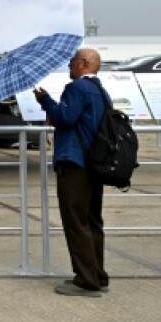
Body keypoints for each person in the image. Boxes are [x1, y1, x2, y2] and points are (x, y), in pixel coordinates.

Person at [34, 47, 109, 297]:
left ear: (84, 64)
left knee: (75, 221)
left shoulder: (76, 88)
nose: (69, 66)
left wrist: (45, 100)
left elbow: (65, 117)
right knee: (92, 220)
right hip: (94, 163)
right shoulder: (100, 90)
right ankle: (98, 274)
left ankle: (86, 280)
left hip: (75, 162)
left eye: (72, 62)